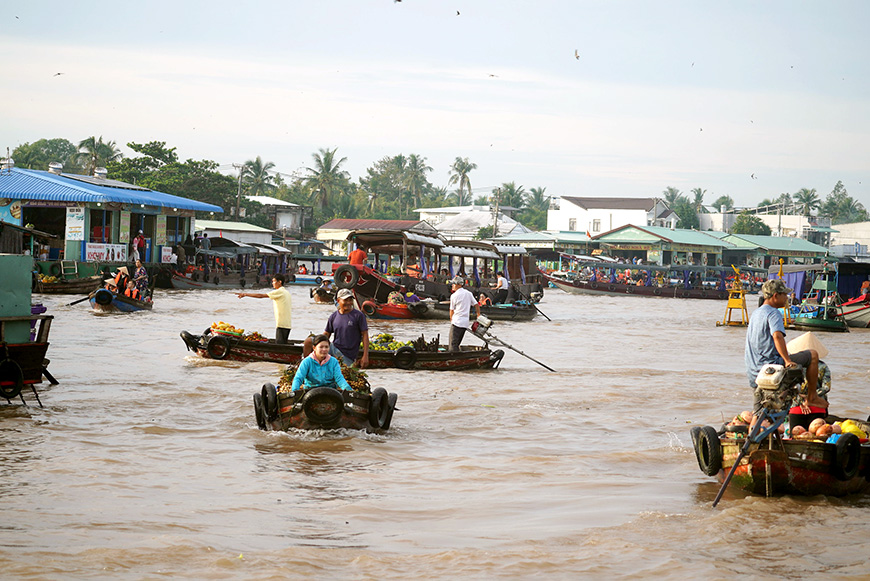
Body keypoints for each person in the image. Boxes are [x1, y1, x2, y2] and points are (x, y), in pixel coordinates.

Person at [745, 279, 827, 428]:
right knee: (813, 354)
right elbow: (777, 336)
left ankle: (750, 442)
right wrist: (787, 360)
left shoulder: (756, 313)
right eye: (785, 295)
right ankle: (812, 397)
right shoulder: (773, 313)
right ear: (776, 296)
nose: (787, 298)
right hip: (771, 367)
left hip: (754, 371)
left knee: (757, 413)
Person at [304, 288, 370, 367]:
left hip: (347, 355)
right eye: (345, 300)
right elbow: (326, 334)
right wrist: (318, 343)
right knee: (308, 341)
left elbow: (365, 335)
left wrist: (365, 356)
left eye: (350, 300)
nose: (349, 303)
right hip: (334, 348)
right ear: (338, 301)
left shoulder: (358, 316)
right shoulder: (334, 316)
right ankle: (306, 367)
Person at [237, 274, 292, 344]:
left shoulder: (280, 291)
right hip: (287, 324)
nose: (272, 283)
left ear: (279, 282)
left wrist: (245, 294)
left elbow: (261, 295)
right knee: (283, 344)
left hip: (281, 324)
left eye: (274, 281)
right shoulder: (286, 292)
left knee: (279, 346)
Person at [449, 276, 480, 352]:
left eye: (454, 284)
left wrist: (451, 320)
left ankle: (454, 359)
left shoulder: (454, 296)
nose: (452, 285)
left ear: (459, 285)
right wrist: (478, 315)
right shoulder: (468, 293)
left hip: (456, 322)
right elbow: (476, 305)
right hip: (465, 323)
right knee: (457, 343)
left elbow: (451, 311)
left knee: (452, 345)